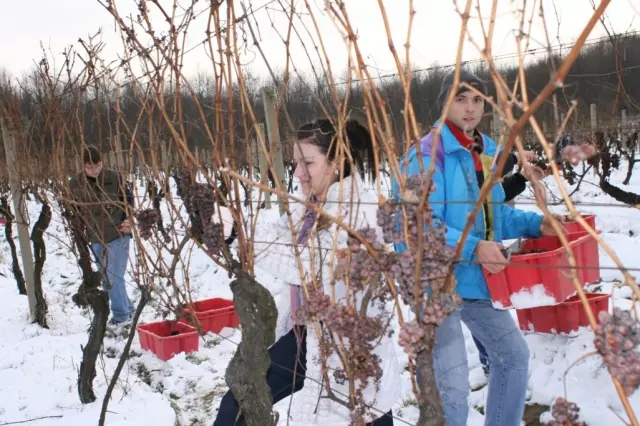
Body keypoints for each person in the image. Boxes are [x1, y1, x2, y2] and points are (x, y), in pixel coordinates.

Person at [392, 70, 563, 426]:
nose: (470, 108)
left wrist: (537, 225)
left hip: (475, 280)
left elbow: (494, 215)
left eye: (477, 101)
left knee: (513, 358)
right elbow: (416, 225)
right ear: (445, 104)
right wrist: (473, 247)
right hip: (435, 286)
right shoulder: (424, 157)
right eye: (460, 99)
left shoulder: (485, 153)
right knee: (452, 390)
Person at [213, 119, 401, 425]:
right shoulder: (312, 205)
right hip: (309, 335)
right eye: (296, 162)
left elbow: (307, 266)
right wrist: (236, 224)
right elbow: (279, 234)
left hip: (350, 347)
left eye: (308, 163)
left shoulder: (359, 212)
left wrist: (238, 232)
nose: (298, 172)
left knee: (366, 408)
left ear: (337, 163)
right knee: (239, 400)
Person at [69, 145, 135, 326]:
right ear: (83, 165)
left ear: (102, 162)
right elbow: (74, 211)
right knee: (106, 277)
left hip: (118, 233)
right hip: (95, 236)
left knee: (114, 277)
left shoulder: (115, 178)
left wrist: (129, 220)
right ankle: (128, 308)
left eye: (97, 165)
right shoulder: (75, 184)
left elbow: (129, 200)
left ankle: (121, 316)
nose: (94, 170)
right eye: (89, 167)